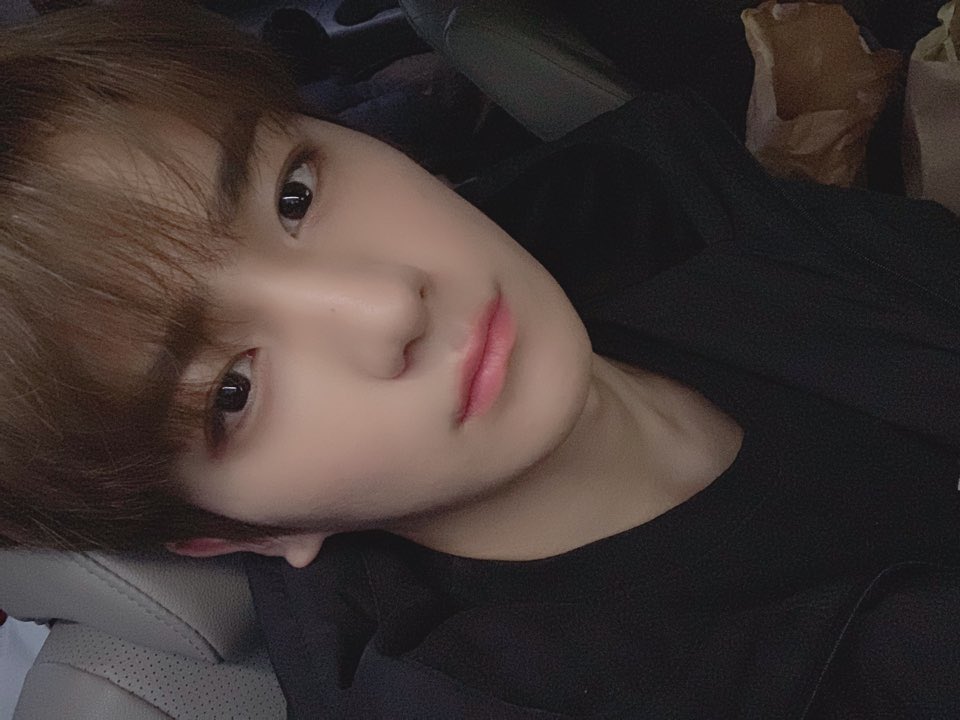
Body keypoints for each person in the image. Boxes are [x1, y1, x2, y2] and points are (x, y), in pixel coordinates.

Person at [1, 3, 958, 717]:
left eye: (294, 196)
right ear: (234, 538)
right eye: (233, 391)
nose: (387, 303)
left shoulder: (638, 191)